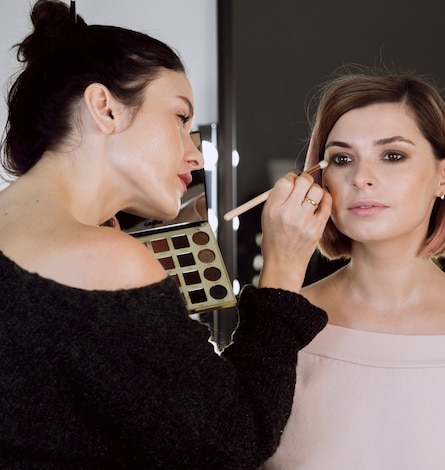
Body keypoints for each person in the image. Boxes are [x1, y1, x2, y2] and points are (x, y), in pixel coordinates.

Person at [0, 1, 331, 468]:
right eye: (180, 119)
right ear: (104, 108)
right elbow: (235, 441)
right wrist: (282, 270)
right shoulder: (104, 261)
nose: (195, 156)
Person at [263, 69, 445, 469]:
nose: (361, 178)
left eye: (393, 155)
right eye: (342, 158)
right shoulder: (280, 329)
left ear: (444, 175)